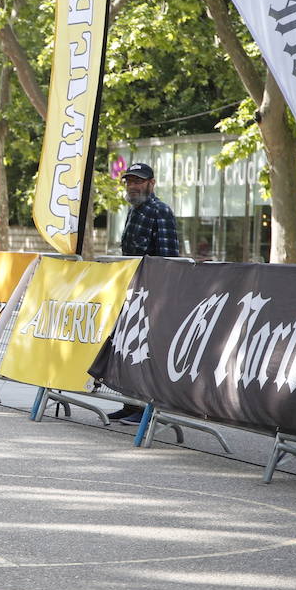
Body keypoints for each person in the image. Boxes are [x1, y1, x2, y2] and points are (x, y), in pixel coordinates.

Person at [109, 162, 180, 424]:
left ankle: (145, 410)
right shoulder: (134, 210)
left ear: (151, 184)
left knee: (144, 352)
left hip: (152, 295)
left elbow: (170, 258)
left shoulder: (160, 211)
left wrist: (160, 297)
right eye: (129, 181)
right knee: (126, 349)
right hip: (131, 292)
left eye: (138, 181)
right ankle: (130, 405)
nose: (132, 186)